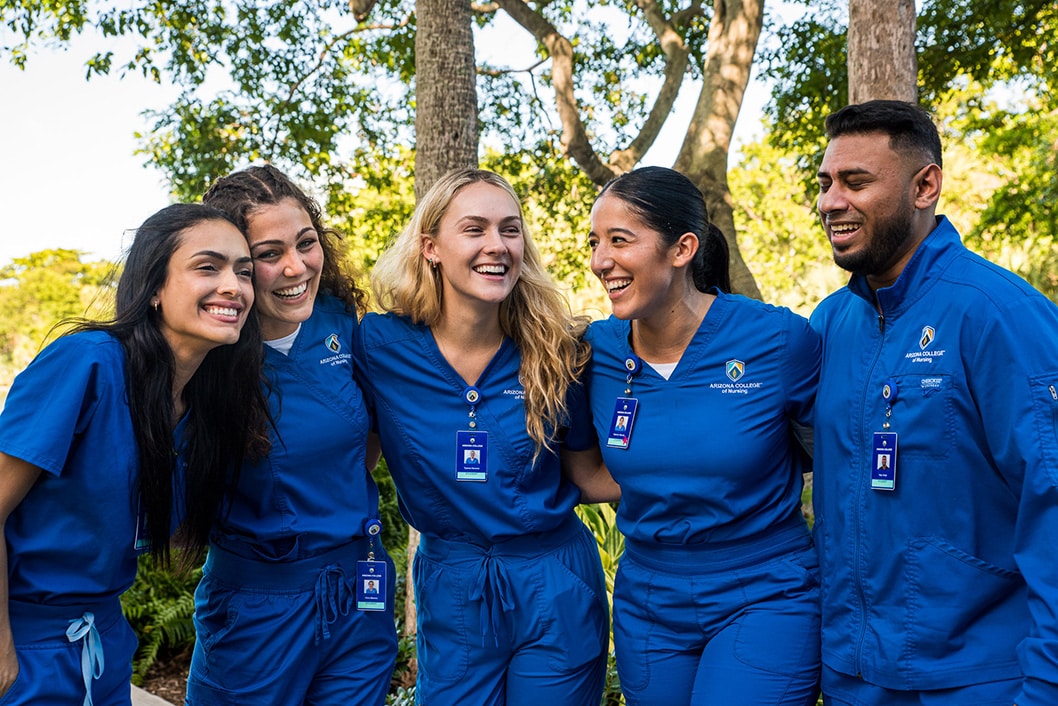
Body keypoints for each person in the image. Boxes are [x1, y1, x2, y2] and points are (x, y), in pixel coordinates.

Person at [811, 99, 1058, 705]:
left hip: (980, 680)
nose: (830, 201)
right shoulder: (829, 324)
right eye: (825, 183)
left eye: (856, 181)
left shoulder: (999, 314)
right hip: (852, 678)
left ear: (926, 186)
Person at [353, 168, 609, 705]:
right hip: (454, 583)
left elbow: (586, 473)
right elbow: (349, 448)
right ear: (431, 248)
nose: (497, 246)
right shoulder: (380, 346)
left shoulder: (557, 349)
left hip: (554, 581)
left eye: (509, 229)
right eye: (475, 229)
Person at [0, 203, 269, 706]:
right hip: (23, 641)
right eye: (208, 267)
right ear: (153, 288)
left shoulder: (201, 406)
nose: (234, 286)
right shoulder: (88, 363)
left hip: (103, 643)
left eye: (244, 271)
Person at [574, 166, 821, 705]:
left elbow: (833, 452)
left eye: (620, 241)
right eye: (594, 242)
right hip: (647, 598)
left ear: (682, 248)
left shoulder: (777, 339)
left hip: (763, 591)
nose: (599, 261)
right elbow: (587, 474)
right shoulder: (596, 351)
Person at [186, 165, 398, 705]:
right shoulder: (209, 351)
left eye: (307, 243)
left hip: (360, 591)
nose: (296, 266)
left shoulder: (336, 318)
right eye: (270, 253)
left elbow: (365, 435)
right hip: (257, 607)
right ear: (236, 264)